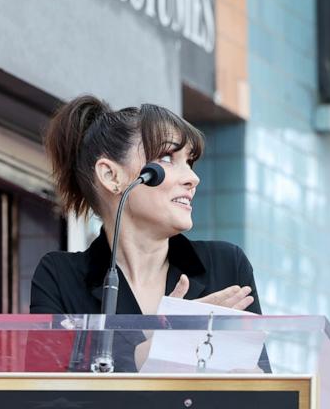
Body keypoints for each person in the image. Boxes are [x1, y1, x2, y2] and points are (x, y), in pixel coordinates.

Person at [30, 95, 261, 369]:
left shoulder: (225, 266)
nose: (192, 178)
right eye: (166, 157)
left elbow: (266, 396)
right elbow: (44, 400)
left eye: (190, 162)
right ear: (111, 176)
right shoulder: (60, 277)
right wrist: (159, 347)